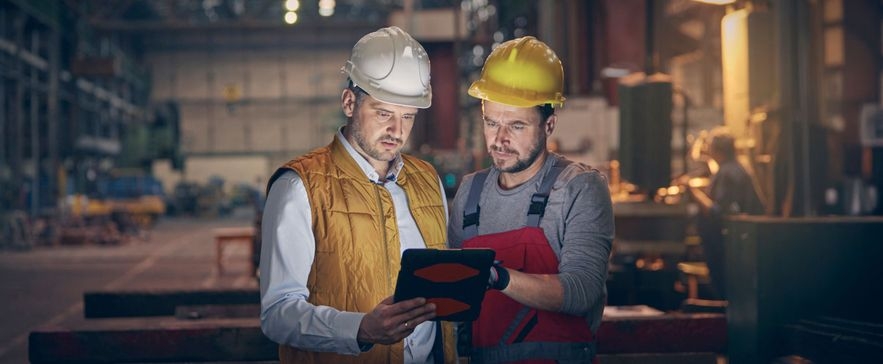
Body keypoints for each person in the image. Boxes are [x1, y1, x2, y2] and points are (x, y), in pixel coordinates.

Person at [259, 26, 456, 364]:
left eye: (407, 116)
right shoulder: (299, 187)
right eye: (383, 113)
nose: (397, 131)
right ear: (349, 102)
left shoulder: (427, 180)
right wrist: (360, 329)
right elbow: (277, 313)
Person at [447, 36, 614, 363]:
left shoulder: (579, 189)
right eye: (491, 122)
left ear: (549, 124)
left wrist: (499, 277)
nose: (500, 139)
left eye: (517, 126)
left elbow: (581, 291)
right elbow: (456, 303)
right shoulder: (470, 193)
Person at [688, 128, 763, 299]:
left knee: (723, 289)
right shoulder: (734, 169)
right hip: (731, 243)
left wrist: (694, 193)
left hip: (724, 244)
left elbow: (717, 213)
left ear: (717, 150)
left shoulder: (728, 173)